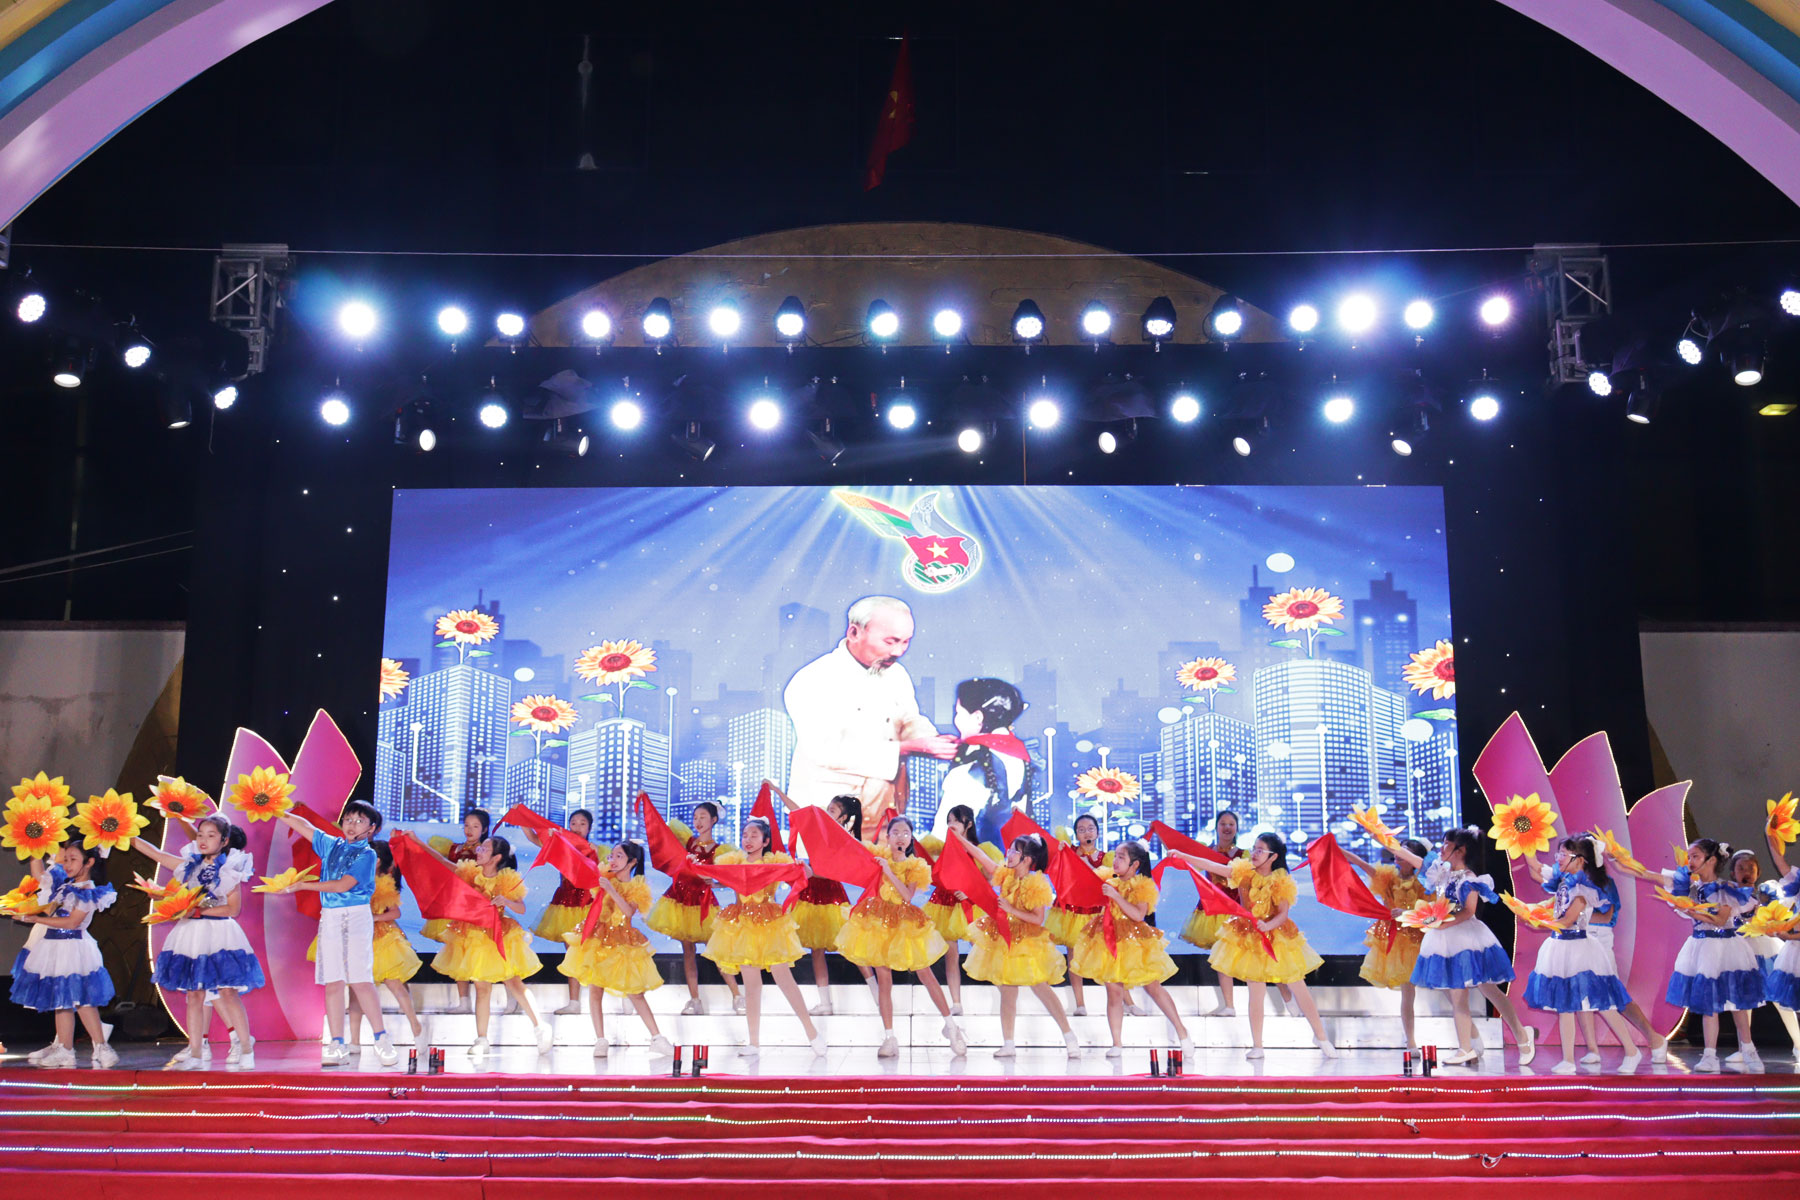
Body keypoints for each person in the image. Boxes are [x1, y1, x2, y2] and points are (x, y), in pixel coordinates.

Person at [783, 596, 956, 831]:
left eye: (906, 642)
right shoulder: (813, 678)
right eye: (890, 641)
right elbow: (824, 750)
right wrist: (907, 748)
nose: (898, 651)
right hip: (827, 815)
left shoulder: (897, 674)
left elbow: (908, 719)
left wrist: (934, 740)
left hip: (885, 812)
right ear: (854, 632)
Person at [1166, 833, 1337, 1060]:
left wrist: (1269, 926)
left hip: (1278, 936)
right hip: (1249, 936)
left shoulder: (1280, 881)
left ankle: (1321, 1037)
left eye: (1260, 850)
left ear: (1273, 856)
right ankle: (1258, 1045)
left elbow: (1283, 914)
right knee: (1256, 991)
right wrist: (1184, 856)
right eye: (1254, 848)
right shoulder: (1244, 872)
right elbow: (1212, 866)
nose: (1254, 853)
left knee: (1298, 987)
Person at [1385, 828, 1536, 1066]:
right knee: (1458, 993)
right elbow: (1411, 859)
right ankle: (1468, 1046)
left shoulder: (1469, 878)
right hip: (1445, 938)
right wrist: (1380, 836)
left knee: (1490, 991)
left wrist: (1443, 924)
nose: (1441, 848)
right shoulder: (1441, 871)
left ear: (1460, 850)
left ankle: (1519, 1034)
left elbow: (1468, 911)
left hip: (1467, 939)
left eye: (1446, 844)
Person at [1614, 836, 1763, 1072]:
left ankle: (1748, 1049)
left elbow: (1720, 920)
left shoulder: (1725, 890)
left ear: (1711, 860)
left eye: (1695, 856)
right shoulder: (1688, 885)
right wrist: (1621, 862)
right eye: (1689, 856)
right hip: (1702, 947)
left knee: (1737, 1003)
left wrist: (1691, 910)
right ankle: (1710, 1055)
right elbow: (1648, 874)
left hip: (1726, 947)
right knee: (1707, 1003)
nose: (1690, 861)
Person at [133, 815, 264, 1070]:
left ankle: (246, 1047)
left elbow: (233, 908)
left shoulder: (229, 869)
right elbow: (157, 854)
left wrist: (197, 911)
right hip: (191, 934)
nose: (203, 840)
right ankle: (195, 1053)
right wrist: (123, 835)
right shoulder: (189, 866)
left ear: (224, 841)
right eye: (200, 835)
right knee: (194, 993)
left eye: (211, 835)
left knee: (227, 992)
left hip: (219, 933)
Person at [275, 800, 398, 1067]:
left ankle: (381, 1038)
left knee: (360, 980)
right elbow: (304, 825)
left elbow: (343, 885)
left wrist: (303, 886)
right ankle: (337, 1043)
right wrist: (276, 810)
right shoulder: (332, 845)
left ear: (372, 829)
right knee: (333, 982)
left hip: (356, 916)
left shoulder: (368, 855)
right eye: (349, 819)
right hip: (330, 916)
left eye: (359, 821)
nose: (352, 825)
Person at [834, 815, 968, 1057]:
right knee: (884, 980)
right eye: (896, 832)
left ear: (910, 838)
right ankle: (889, 1037)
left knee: (925, 974)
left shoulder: (915, 866)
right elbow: (851, 854)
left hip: (905, 923)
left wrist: (888, 870)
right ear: (887, 836)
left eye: (905, 833)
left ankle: (951, 1026)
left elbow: (907, 896)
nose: (900, 837)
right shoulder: (878, 857)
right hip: (878, 921)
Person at [704, 817, 829, 1059]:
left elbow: (807, 874)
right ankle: (753, 1043)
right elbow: (716, 878)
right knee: (752, 986)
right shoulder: (734, 862)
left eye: (754, 835)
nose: (748, 840)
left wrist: (800, 865)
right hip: (743, 926)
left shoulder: (773, 863)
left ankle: (812, 1033)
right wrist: (712, 880)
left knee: (785, 980)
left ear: (765, 841)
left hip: (770, 924)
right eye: (745, 835)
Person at [1520, 836, 1646, 1073]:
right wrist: (1525, 840)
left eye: (1563, 854)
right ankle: (1568, 1060)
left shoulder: (1583, 889)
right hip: (1561, 946)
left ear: (1580, 860)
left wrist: (1537, 920)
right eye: (1558, 853)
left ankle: (1631, 1050)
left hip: (1579, 949)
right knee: (1565, 1006)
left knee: (1603, 1004)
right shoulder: (1564, 882)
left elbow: (1568, 920)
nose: (1558, 858)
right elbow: (1536, 868)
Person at [956, 830, 1083, 1060]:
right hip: (1005, 937)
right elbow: (983, 858)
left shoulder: (1036, 883)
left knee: (1041, 988)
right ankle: (1008, 1043)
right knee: (1007, 991)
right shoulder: (1007, 874)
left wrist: (1011, 909)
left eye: (1015, 850)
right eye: (1010, 849)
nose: (1009, 853)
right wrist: (960, 840)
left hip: (1027, 940)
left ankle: (1069, 1037)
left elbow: (1037, 918)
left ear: (1027, 859)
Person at [425, 833, 554, 1059]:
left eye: (484, 848)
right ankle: (482, 1039)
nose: (479, 851)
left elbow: (521, 908)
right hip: (475, 935)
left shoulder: (506, 880)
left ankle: (540, 1027)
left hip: (499, 935)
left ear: (496, 857)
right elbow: (444, 862)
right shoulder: (470, 873)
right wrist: (417, 842)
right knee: (481, 987)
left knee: (514, 982)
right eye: (480, 848)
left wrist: (506, 901)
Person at [1067, 840, 1195, 1060]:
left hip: (1134, 941)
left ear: (1135, 864)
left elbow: (1138, 914)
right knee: (1114, 991)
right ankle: (1117, 1043)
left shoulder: (1142, 885)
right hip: (1109, 939)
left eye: (1121, 857)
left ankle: (1182, 1032)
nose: (1115, 861)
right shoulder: (1108, 879)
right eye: (1115, 856)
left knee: (1153, 987)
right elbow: (1084, 878)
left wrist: (1115, 896)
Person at [558, 840, 674, 1059]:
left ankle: (657, 1038)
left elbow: (628, 912)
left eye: (619, 856)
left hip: (623, 941)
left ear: (632, 862)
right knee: (595, 990)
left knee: (635, 993)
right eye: (612, 855)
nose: (613, 860)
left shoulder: (637, 886)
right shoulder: (603, 877)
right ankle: (600, 1040)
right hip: (599, 937)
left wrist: (610, 889)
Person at [12, 842, 117, 1068]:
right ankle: (65, 1050)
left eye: (73, 859)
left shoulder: (87, 890)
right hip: (56, 946)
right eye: (66, 859)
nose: (66, 864)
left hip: (73, 948)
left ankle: (102, 1046)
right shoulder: (66, 886)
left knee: (82, 1001)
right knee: (62, 1000)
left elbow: (72, 922)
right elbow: (40, 876)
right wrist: (33, 847)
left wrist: (36, 919)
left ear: (89, 862)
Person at [780, 792, 876, 1015]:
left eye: (832, 810)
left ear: (843, 818)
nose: (827, 812)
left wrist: (813, 872)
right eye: (828, 808)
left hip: (832, 896)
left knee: (851, 946)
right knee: (816, 951)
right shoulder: (818, 828)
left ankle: (877, 995)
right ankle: (825, 1003)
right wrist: (777, 791)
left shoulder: (844, 840)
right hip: (810, 895)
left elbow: (838, 871)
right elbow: (798, 811)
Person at [644, 800, 741, 1015]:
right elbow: (662, 836)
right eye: (695, 817)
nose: (698, 821)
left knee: (716, 950)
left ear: (714, 820)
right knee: (687, 951)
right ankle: (695, 1000)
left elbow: (732, 877)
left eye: (703, 817)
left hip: (702, 903)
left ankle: (737, 996)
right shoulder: (686, 841)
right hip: (679, 900)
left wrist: (715, 883)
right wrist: (647, 803)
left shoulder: (721, 850)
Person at [1340, 838, 1429, 1052]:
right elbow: (1362, 864)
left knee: (1446, 988)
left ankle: (1470, 1038)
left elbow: (1433, 911)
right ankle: (1411, 1042)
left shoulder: (1426, 881)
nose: (1398, 855)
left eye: (1404, 852)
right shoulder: (1389, 877)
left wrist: (1408, 913)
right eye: (1398, 851)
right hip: (1398, 942)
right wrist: (1338, 849)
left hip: (1421, 940)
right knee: (1408, 994)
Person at [921, 804, 1003, 1015]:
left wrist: (970, 893)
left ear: (968, 824)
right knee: (951, 955)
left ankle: (1005, 995)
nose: (952, 824)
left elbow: (992, 879)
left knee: (985, 950)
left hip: (972, 905)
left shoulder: (981, 850)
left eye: (956, 820)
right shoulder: (943, 849)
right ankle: (956, 1003)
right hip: (945, 905)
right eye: (949, 820)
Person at [932, 678, 1033, 848]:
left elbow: (943, 836)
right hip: (1006, 858)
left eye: (958, 713)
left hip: (972, 860)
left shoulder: (972, 765)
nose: (956, 720)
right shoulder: (1020, 758)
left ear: (978, 717)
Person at [344, 839, 425, 1049]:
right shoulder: (352, 879)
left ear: (378, 860)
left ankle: (415, 1027)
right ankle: (354, 1041)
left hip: (380, 939)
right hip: (357, 937)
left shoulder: (383, 883)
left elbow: (395, 912)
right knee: (355, 990)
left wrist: (374, 918)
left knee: (394, 984)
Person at [520, 808, 600, 1016]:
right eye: (573, 823)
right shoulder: (560, 845)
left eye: (582, 823)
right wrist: (521, 818)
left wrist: (597, 855)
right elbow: (533, 838)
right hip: (566, 905)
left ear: (589, 828)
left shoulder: (596, 849)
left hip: (588, 906)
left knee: (596, 953)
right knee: (572, 954)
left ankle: (612, 996)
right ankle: (574, 1002)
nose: (577, 827)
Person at [1732, 848, 1800, 1050]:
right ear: (1733, 873)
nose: (1746, 872)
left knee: (1781, 1001)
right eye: (1741, 868)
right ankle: (1745, 1048)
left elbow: (1780, 916)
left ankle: (1798, 1044)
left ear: (1758, 872)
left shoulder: (1768, 893)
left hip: (1767, 950)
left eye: (1750, 868)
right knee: (1745, 1001)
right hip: (1744, 952)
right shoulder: (1730, 897)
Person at [425, 808, 491, 1016]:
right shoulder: (454, 848)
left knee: (484, 953)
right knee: (456, 950)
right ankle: (464, 1001)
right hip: (456, 904)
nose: (469, 830)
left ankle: (506, 996)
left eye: (475, 826)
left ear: (484, 829)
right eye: (466, 825)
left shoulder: (486, 851)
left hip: (478, 907)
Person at [1047, 813, 1108, 1017]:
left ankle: (1125, 1001)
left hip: (1094, 911)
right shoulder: (1068, 851)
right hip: (1072, 911)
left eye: (1090, 829)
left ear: (1097, 832)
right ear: (1076, 834)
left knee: (1105, 954)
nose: (1086, 833)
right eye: (1081, 830)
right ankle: (1079, 1004)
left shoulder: (1105, 857)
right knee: (1073, 955)